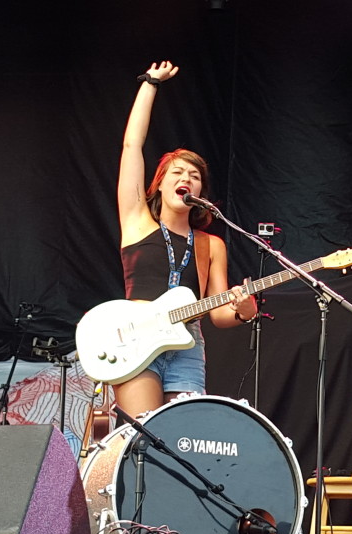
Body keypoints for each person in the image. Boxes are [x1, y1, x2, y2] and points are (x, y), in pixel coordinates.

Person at [113, 61, 257, 417]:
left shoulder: (212, 245)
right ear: (159, 183)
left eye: (195, 176)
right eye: (178, 173)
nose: (187, 178)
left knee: (183, 439)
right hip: (137, 342)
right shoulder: (136, 220)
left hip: (188, 345)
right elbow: (133, 145)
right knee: (144, 438)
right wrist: (150, 84)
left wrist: (243, 310)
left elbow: (219, 312)